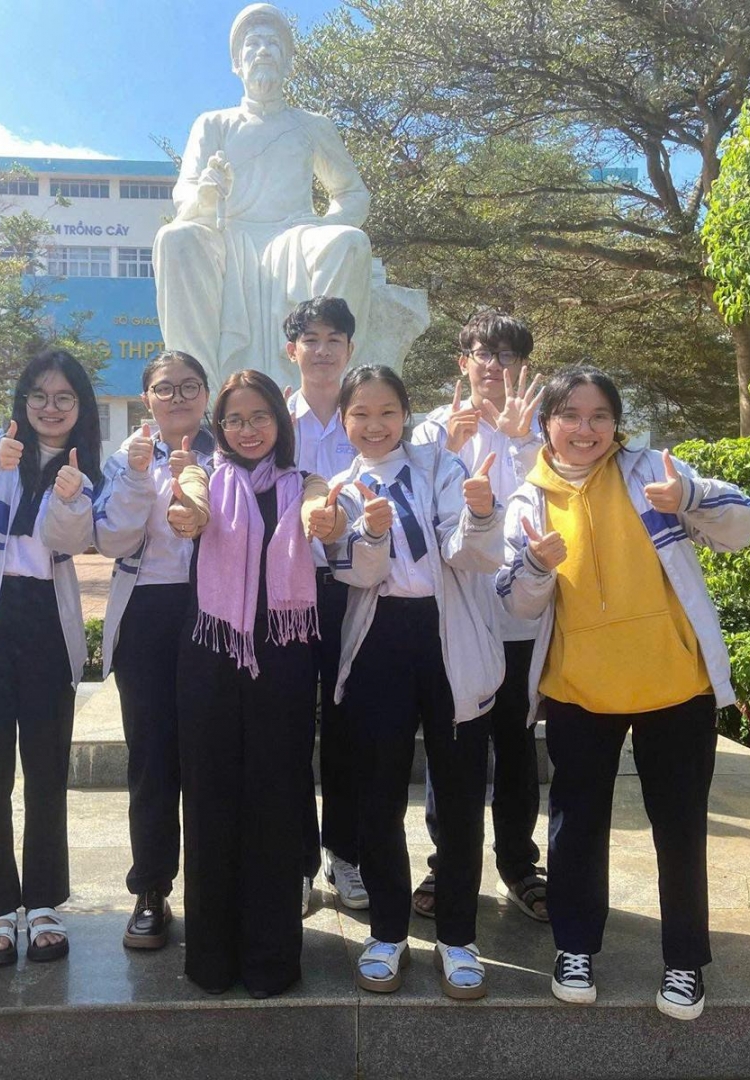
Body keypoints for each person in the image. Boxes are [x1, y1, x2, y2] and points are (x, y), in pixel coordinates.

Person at [496, 365, 750, 1020]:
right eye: (570, 415)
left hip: (675, 684)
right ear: (547, 424)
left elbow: (742, 527)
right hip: (580, 691)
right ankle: (574, 947)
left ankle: (684, 961)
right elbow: (519, 604)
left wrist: (690, 495)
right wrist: (535, 566)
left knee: (680, 827)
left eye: (599, 416)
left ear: (617, 424)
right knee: (576, 826)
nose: (585, 429)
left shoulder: (653, 473)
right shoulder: (529, 498)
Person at [324, 365, 506, 999]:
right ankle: (388, 931)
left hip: (448, 636)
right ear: (343, 420)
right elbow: (354, 573)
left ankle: (458, 936)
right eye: (360, 414)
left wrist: (480, 514)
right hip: (379, 642)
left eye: (387, 412)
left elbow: (470, 554)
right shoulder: (340, 489)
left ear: (406, 414)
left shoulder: (441, 467)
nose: (374, 425)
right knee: (378, 794)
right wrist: (371, 533)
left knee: (459, 797)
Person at [170, 368, 346, 998]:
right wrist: (188, 511)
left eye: (260, 417)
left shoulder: (305, 483)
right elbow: (189, 499)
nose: (248, 430)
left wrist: (324, 519)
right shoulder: (205, 477)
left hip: (285, 657)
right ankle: (212, 957)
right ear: (220, 427)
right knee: (209, 798)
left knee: (276, 800)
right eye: (235, 419)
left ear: (280, 421)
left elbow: (322, 509)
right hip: (211, 654)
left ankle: (272, 959)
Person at [0, 348, 102, 967]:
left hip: (46, 624)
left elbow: (73, 539)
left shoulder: (84, 470)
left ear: (80, 407)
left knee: (47, 772)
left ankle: (45, 903)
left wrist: (69, 497)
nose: (50, 408)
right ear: (23, 400)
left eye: (64, 398)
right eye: (39, 396)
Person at [152, 3, 371, 392]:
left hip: (297, 236)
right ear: (237, 63)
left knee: (349, 242)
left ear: (288, 60)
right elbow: (184, 200)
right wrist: (206, 194)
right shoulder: (214, 124)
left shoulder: (312, 125)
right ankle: (198, 390)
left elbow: (352, 194)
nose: (264, 51)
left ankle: (329, 391)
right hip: (230, 238)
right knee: (176, 237)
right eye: (253, 44)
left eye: (273, 43)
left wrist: (320, 228)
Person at [410, 311, 548, 921]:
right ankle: (447, 865)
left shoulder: (543, 428)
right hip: (457, 615)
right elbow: (414, 512)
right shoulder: (432, 428)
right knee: (452, 744)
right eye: (481, 353)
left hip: (520, 614)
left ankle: (519, 864)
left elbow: (551, 504)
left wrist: (521, 442)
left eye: (506, 354)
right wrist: (447, 451)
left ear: (523, 364)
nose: (493, 365)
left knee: (516, 746)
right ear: (462, 362)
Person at [98, 351, 215, 950]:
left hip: (214, 612)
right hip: (146, 613)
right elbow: (111, 539)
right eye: (165, 389)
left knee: (211, 756)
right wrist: (141, 479)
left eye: (189, 387)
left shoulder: (230, 454)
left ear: (206, 394)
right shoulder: (125, 458)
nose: (177, 398)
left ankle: (215, 891)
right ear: (147, 398)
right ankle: (150, 889)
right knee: (151, 758)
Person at [283, 296, 368, 916]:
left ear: (349, 349)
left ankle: (346, 853)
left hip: (352, 589)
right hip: (287, 592)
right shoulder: (273, 422)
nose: (322, 350)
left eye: (333, 339)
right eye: (310, 339)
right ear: (292, 350)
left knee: (347, 726)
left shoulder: (366, 421)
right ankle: (296, 861)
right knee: (287, 726)